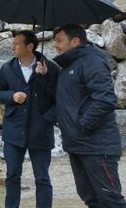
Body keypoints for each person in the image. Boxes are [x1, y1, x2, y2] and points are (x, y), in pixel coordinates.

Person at [36, 24, 126, 207]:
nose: (56, 45)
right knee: (90, 197)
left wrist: (83, 125)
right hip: (77, 144)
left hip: (97, 145)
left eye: (60, 41)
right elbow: (64, 99)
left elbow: (105, 99)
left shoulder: (92, 61)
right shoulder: (69, 66)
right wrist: (45, 76)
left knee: (110, 199)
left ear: (75, 41)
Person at [0, 30, 59, 208]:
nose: (12, 47)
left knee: (42, 178)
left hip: (41, 131)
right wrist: (12, 96)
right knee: (12, 175)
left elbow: (58, 98)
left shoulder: (50, 68)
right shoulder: (7, 68)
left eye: (16, 44)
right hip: (14, 130)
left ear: (29, 46)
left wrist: (44, 77)